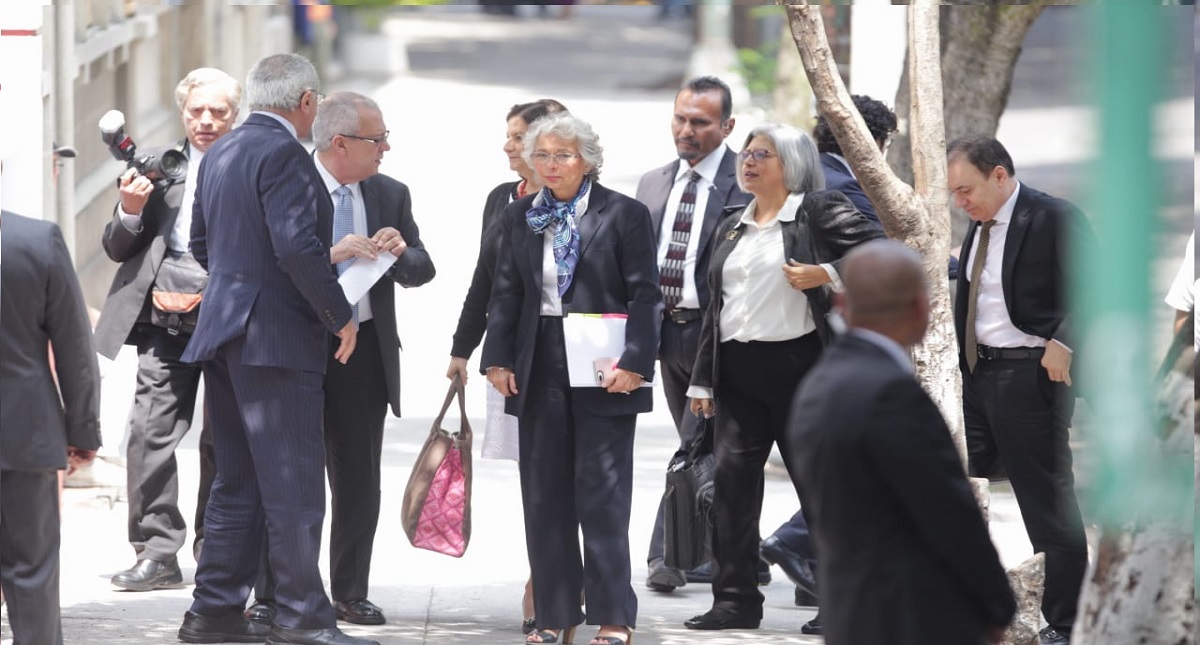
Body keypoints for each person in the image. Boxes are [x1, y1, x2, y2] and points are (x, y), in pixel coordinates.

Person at [177, 53, 373, 645]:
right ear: (307, 103)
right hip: (276, 340)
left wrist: (244, 281)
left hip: (229, 332)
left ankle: (211, 611)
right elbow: (295, 247)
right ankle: (302, 617)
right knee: (292, 484)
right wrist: (338, 315)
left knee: (235, 481)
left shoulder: (223, 150)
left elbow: (200, 242)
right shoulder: (285, 153)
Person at [244, 91, 435, 628]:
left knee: (357, 477)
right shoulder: (288, 182)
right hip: (299, 346)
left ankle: (350, 590)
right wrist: (331, 254)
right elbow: (270, 260)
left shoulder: (390, 192)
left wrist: (401, 252)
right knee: (284, 475)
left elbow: (424, 268)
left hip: (366, 353)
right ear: (340, 143)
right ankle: (273, 591)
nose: (387, 148)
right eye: (378, 140)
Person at [683, 123, 883, 632]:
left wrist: (828, 273)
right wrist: (703, 381)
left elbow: (885, 250)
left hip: (803, 369)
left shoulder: (817, 210)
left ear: (791, 163)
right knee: (731, 491)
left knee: (821, 492)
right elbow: (715, 310)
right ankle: (735, 602)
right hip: (737, 373)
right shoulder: (732, 222)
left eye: (762, 154)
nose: (748, 162)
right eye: (746, 153)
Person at [482, 112, 661, 645]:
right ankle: (554, 615)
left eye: (562, 155)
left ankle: (613, 617)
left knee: (602, 495)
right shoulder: (520, 216)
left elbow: (646, 294)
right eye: (542, 155)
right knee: (544, 495)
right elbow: (505, 293)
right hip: (540, 362)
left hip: (605, 366)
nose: (551, 165)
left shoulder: (623, 213)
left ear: (587, 160)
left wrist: (636, 362)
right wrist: (498, 358)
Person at [788, 239, 1017, 645]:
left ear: (841, 306)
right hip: (914, 618)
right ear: (920, 309)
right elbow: (949, 515)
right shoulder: (891, 395)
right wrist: (997, 605)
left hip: (852, 613)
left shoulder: (818, 384)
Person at [93, 67, 240, 591]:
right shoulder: (160, 165)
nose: (205, 121)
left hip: (234, 317)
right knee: (149, 434)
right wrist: (130, 211)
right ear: (183, 113)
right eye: (196, 111)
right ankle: (156, 551)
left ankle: (218, 548)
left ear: (235, 114)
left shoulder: (255, 163)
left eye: (217, 111)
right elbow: (117, 247)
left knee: (225, 440)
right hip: (166, 318)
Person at [758, 93, 900, 630]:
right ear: (874, 142)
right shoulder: (840, 190)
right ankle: (798, 547)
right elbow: (881, 251)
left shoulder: (818, 185)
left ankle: (814, 578)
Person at [949, 135, 1092, 645]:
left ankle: (1068, 621)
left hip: (1030, 376)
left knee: (1047, 502)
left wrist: (1064, 342)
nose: (959, 201)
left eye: (966, 189)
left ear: (1000, 176)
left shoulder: (1052, 217)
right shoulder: (980, 226)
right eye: (954, 193)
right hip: (977, 375)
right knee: (949, 489)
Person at [445, 97, 567, 634]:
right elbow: (485, 277)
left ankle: (552, 582)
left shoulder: (575, 201)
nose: (507, 146)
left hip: (561, 359)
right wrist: (461, 348)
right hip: (508, 359)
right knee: (535, 475)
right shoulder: (502, 198)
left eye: (516, 137)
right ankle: (548, 572)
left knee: (565, 474)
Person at [633, 75, 750, 593]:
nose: (686, 130)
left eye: (699, 122)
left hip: (716, 338)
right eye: (680, 118)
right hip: (666, 334)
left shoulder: (745, 182)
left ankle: (667, 555)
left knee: (693, 441)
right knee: (706, 448)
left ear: (727, 126)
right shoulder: (655, 181)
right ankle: (742, 553)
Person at [0, 210, 102, 645]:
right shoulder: (36, 240)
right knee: (32, 573)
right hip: (25, 434)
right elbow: (75, 344)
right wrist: (82, 432)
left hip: (27, 436)